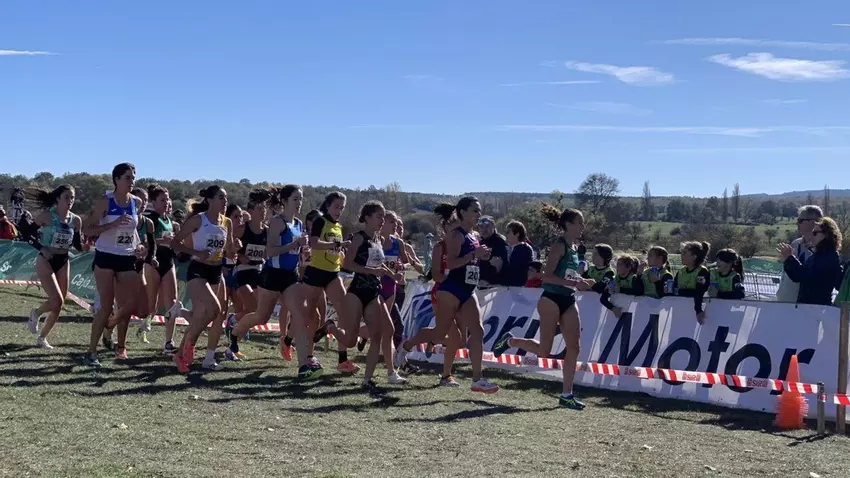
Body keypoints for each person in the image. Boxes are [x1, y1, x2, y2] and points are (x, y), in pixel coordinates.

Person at [396, 197, 500, 394]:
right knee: (440, 333)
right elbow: (451, 263)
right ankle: (406, 346)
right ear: (463, 213)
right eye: (475, 210)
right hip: (450, 289)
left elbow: (471, 261)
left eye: (479, 210)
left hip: (468, 290)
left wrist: (482, 257)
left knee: (477, 331)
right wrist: (473, 255)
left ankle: (477, 379)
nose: (479, 214)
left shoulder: (474, 235)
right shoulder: (456, 235)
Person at [493, 205, 593, 409]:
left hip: (568, 299)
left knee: (574, 347)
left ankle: (567, 394)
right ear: (568, 224)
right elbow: (546, 277)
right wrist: (575, 283)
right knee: (545, 351)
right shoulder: (559, 246)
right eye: (579, 222)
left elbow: (568, 275)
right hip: (550, 299)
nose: (583, 226)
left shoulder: (575, 248)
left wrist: (582, 281)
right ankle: (510, 341)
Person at [337, 201, 408, 389]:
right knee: (350, 340)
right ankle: (330, 327)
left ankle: (367, 380)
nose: (382, 220)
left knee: (377, 336)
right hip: (357, 291)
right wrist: (370, 271)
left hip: (374, 292)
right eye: (379, 216)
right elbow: (347, 264)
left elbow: (380, 263)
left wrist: (392, 274)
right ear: (367, 217)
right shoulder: (358, 238)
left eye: (384, 217)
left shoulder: (378, 239)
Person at [82, 163, 145, 367]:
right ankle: (91, 352)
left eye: (133, 177)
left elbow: (133, 231)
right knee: (106, 306)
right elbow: (88, 229)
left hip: (127, 257)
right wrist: (112, 224)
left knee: (132, 304)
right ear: (116, 179)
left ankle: (110, 327)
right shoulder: (106, 201)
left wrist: (139, 246)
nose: (132, 181)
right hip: (106, 257)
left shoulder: (136, 202)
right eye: (128, 177)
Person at [168, 185, 234, 372]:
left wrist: (233, 250)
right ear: (210, 200)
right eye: (221, 197)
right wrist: (197, 253)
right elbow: (175, 243)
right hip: (198, 270)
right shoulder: (198, 220)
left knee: (200, 316)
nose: (225, 201)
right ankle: (190, 345)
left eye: (226, 198)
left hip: (216, 271)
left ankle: (180, 355)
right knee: (215, 309)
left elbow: (228, 249)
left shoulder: (227, 222)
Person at [24, 185, 83, 348]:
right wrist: (41, 248)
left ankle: (42, 338)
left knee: (59, 304)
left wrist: (83, 246)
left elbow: (77, 243)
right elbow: (26, 234)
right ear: (58, 199)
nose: (70, 201)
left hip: (63, 260)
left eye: (72, 197)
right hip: (46, 259)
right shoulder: (47, 216)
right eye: (67, 197)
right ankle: (36, 313)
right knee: (56, 299)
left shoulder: (76, 220)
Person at [142, 184, 181, 353]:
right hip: (153, 262)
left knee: (172, 302)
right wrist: (161, 241)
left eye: (167, 199)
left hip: (168, 262)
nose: (166, 202)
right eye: (162, 200)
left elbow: (173, 243)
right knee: (152, 305)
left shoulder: (170, 221)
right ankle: (142, 328)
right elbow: (143, 243)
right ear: (154, 203)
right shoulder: (150, 220)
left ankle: (169, 342)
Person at [780, 217, 843, 306]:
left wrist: (789, 258)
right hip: (815, 307)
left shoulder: (825, 257)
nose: (811, 236)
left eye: (815, 233)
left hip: (814, 308)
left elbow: (801, 275)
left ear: (825, 235)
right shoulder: (825, 255)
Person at [776, 205, 823, 303]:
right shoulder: (795, 243)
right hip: (785, 301)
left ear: (813, 222)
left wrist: (790, 258)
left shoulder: (822, 249)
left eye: (800, 220)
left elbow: (805, 275)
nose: (797, 223)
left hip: (807, 305)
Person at [675, 241, 712, 325]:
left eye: (684, 253)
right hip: (679, 312)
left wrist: (698, 310)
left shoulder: (702, 271)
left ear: (694, 257)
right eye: (682, 252)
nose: (681, 255)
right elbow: (674, 290)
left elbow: (699, 291)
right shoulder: (681, 271)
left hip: (695, 313)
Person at [476, 216, 507, 287]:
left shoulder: (500, 241)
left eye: (487, 226)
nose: (484, 229)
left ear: (493, 226)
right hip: (480, 284)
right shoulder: (479, 242)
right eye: (481, 227)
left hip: (495, 285)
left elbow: (506, 264)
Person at [501, 220, 534, 287]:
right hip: (505, 287)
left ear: (517, 234)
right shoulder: (505, 248)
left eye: (508, 232)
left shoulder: (525, 249)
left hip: (519, 287)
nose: (506, 235)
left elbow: (523, 270)